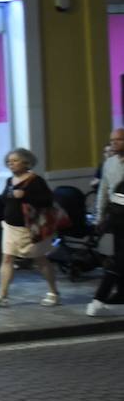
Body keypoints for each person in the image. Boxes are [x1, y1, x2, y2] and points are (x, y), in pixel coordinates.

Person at [0, 148, 59, 307]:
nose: (11, 164)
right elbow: (4, 198)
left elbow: (47, 200)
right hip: (11, 227)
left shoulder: (36, 180)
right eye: (9, 161)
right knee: (7, 258)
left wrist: (26, 196)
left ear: (26, 162)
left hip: (31, 228)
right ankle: (2, 294)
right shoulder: (10, 181)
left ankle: (53, 292)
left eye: (15, 161)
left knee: (40, 259)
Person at [87, 128, 124, 316]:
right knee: (118, 256)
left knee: (119, 260)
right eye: (112, 140)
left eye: (119, 140)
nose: (114, 143)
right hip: (117, 217)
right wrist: (99, 217)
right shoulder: (109, 163)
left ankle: (99, 298)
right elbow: (103, 191)